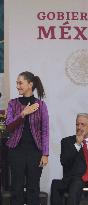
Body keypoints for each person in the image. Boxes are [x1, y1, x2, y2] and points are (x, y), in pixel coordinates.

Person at [5, 71, 49, 205]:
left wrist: (45, 153)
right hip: (16, 151)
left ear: (30, 84)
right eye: (17, 83)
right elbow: (8, 127)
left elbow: (45, 131)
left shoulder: (41, 106)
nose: (17, 86)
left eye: (20, 83)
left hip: (35, 152)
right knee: (16, 188)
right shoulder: (13, 104)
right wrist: (23, 113)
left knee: (33, 188)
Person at [50, 113, 88, 205]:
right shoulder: (67, 141)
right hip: (75, 178)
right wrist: (77, 145)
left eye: (82, 124)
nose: (79, 127)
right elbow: (64, 162)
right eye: (77, 124)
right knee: (76, 184)